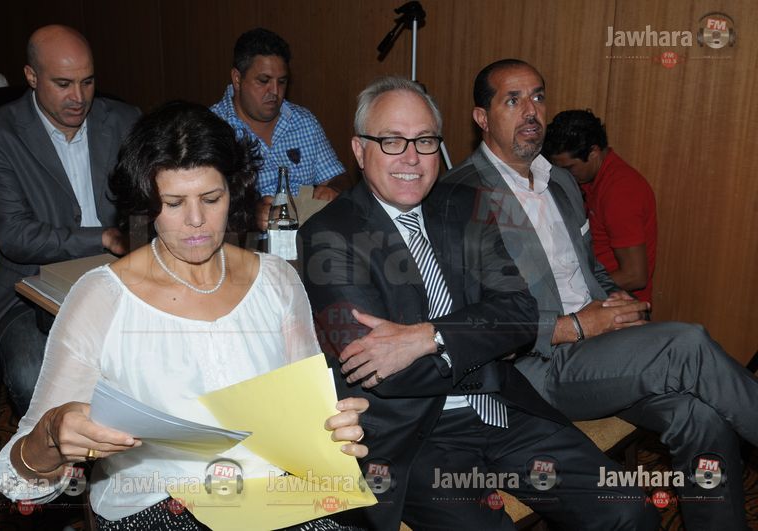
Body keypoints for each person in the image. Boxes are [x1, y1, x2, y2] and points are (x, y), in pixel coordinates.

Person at [301, 76, 658, 531]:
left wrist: (430, 337)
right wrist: (483, 343)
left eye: (425, 140)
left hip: (501, 405)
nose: (411, 157)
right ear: (358, 149)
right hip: (415, 436)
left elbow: (520, 312)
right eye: (392, 141)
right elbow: (379, 370)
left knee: (627, 508)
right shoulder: (328, 234)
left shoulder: (466, 205)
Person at [0, 100, 369, 530]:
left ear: (234, 190)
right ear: (146, 204)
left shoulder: (276, 280)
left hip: (272, 497)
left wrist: (334, 430)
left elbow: (304, 417)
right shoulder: (104, 298)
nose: (196, 221)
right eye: (173, 203)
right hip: (158, 506)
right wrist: (50, 437)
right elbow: (13, 479)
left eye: (211, 198)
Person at [441, 58, 758, 531]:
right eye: (513, 100)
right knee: (687, 343)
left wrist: (616, 304)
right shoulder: (458, 194)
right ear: (482, 117)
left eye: (538, 97)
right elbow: (471, 315)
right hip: (537, 367)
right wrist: (577, 325)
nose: (531, 111)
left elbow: (591, 269)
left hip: (600, 351)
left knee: (700, 417)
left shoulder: (562, 181)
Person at [0, 25, 140, 415]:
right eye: (63, 84)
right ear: (31, 76)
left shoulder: (124, 119)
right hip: (28, 289)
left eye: (87, 82)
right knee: (33, 375)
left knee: (159, 360)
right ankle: (62, 455)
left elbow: (150, 201)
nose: (79, 97)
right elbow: (14, 235)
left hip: (120, 280)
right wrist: (105, 237)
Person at [210, 27, 345, 230]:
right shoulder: (211, 129)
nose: (274, 91)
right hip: (243, 241)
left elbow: (339, 178)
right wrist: (250, 214)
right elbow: (201, 205)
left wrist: (333, 190)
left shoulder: (303, 122)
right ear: (237, 79)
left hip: (305, 238)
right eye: (263, 81)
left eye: (282, 82)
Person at [543, 109, 657, 303]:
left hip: (616, 302)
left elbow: (635, 275)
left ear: (594, 152)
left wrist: (570, 289)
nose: (563, 175)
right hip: (594, 291)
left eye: (569, 168)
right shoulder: (590, 179)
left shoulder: (620, 191)